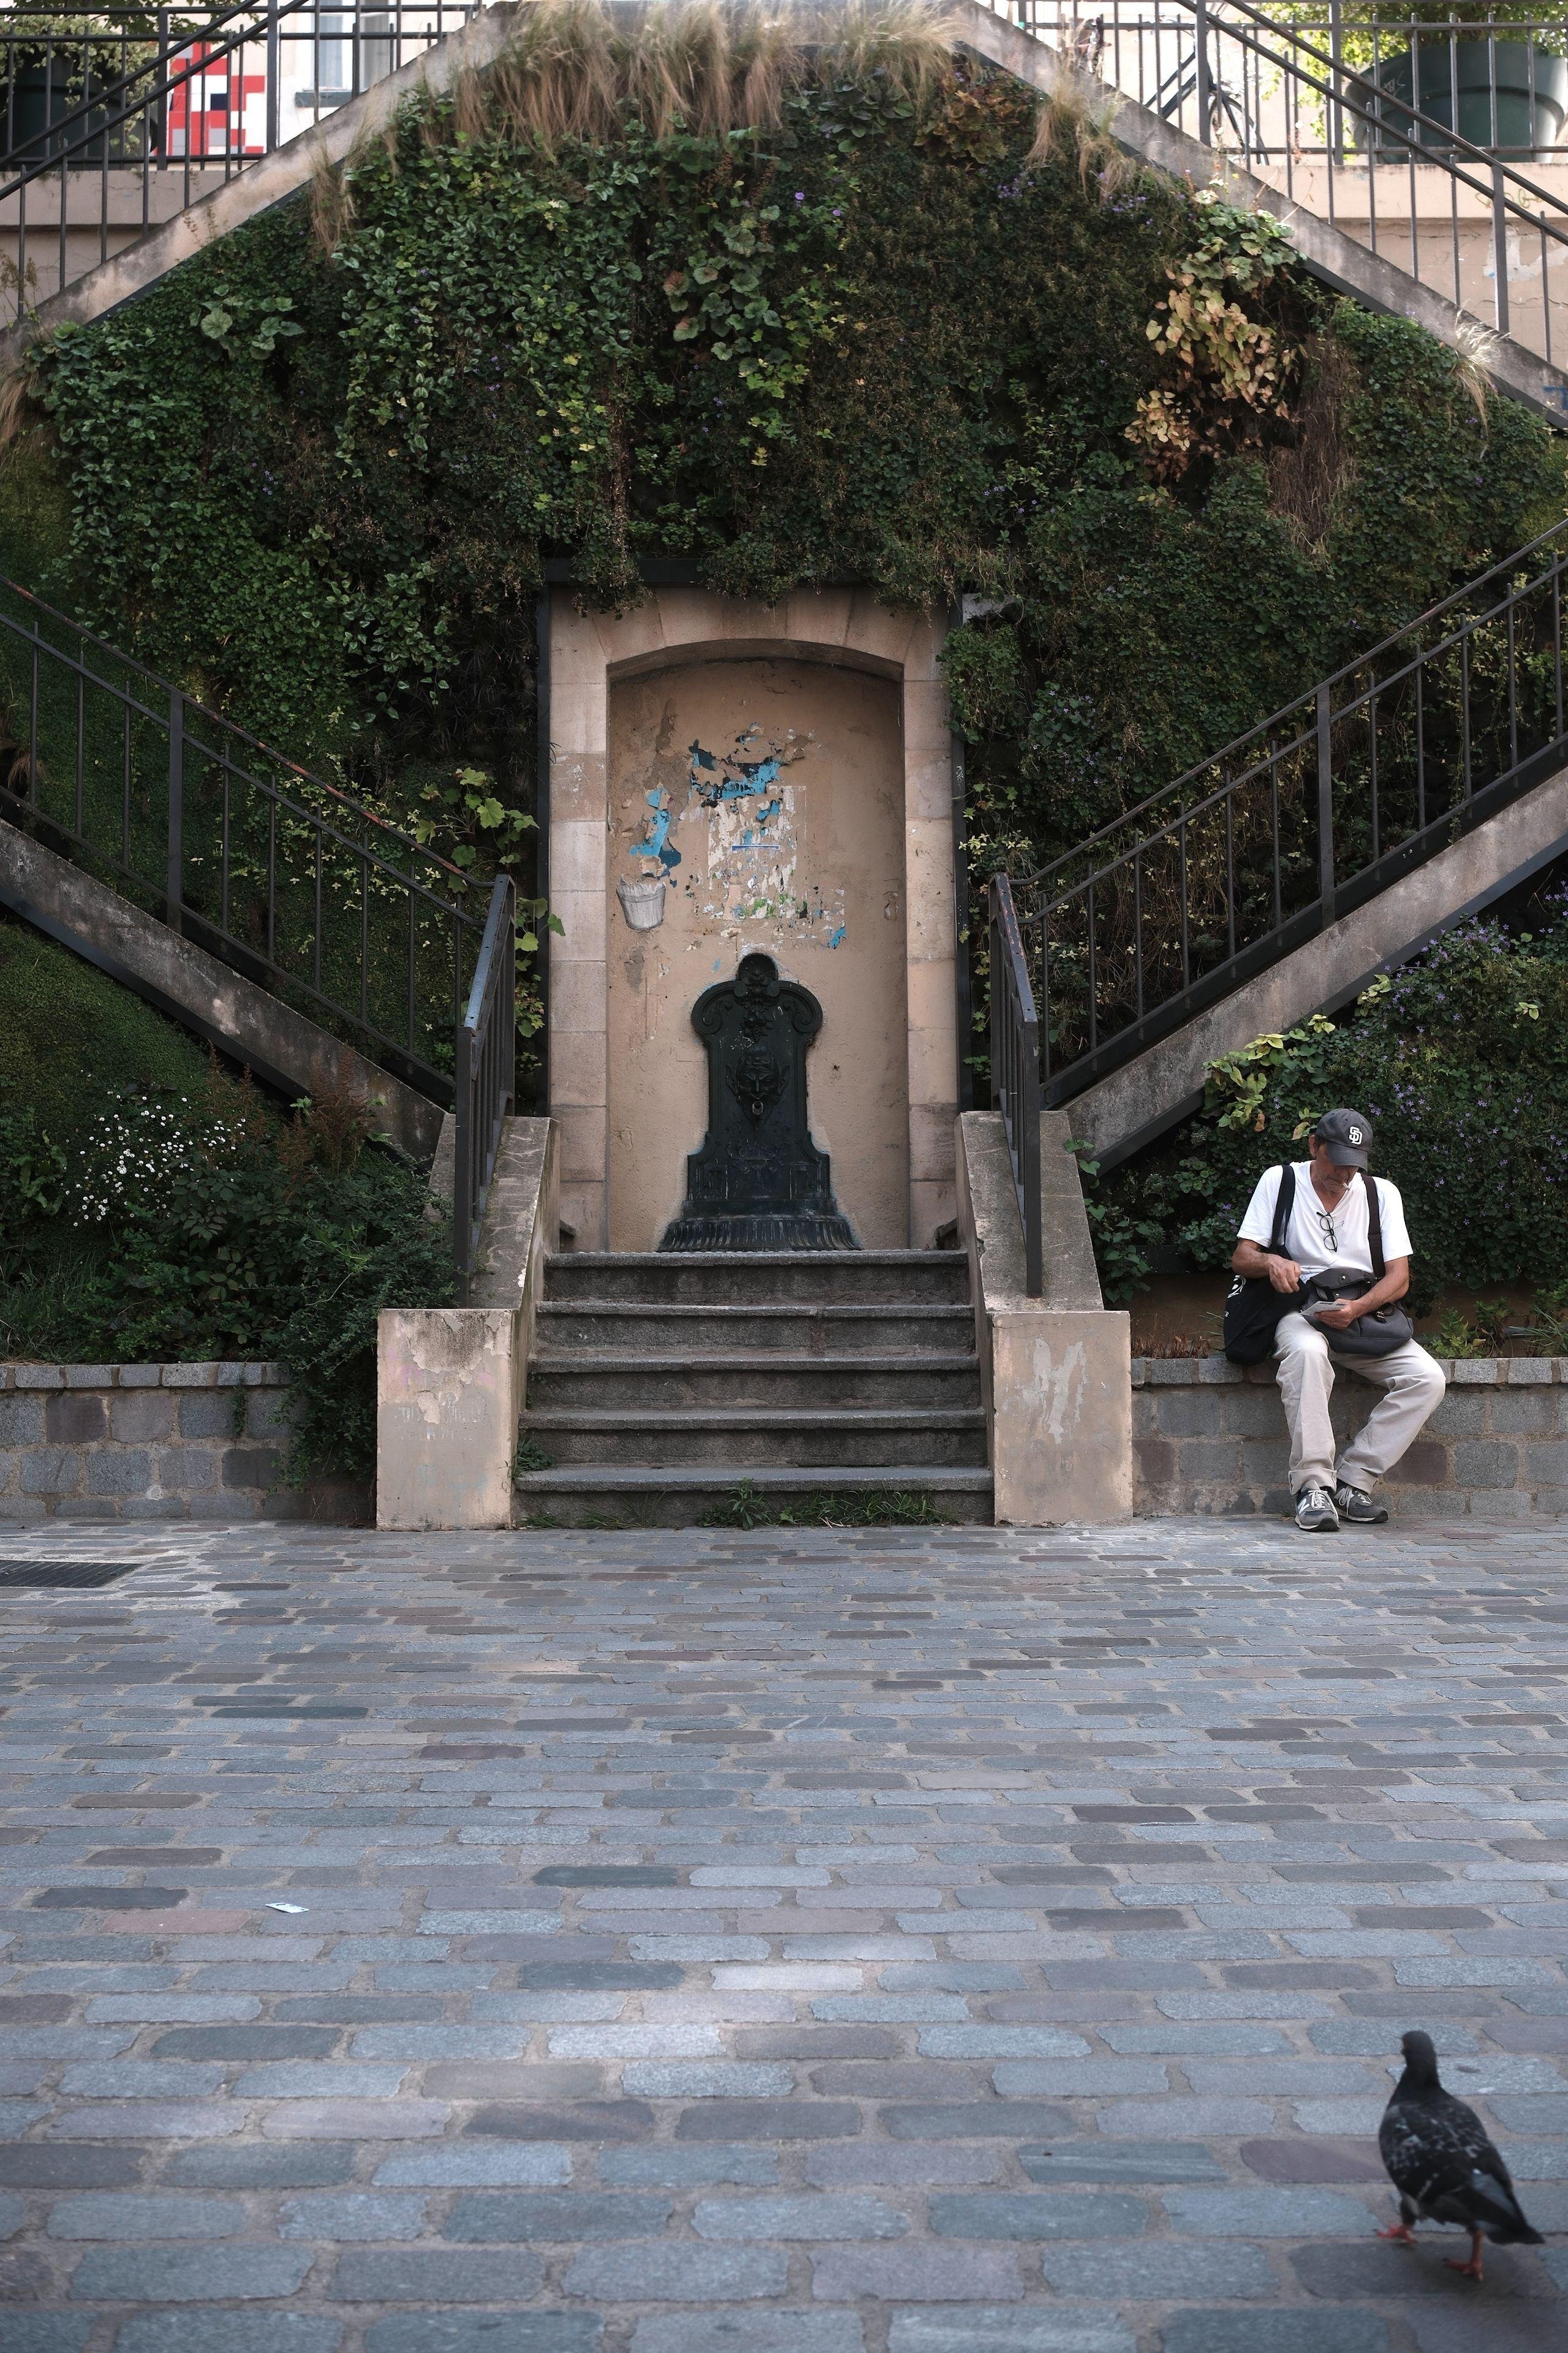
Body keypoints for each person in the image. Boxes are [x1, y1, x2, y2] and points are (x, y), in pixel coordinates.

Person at [1231, 1108, 1446, 1533]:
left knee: (1427, 1378)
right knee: (1308, 1353)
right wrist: (1271, 1260)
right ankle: (1313, 1486)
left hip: (1361, 1312)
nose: (1344, 1176)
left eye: (1354, 1166)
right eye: (1336, 1163)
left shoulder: (1380, 1193)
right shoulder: (1281, 1181)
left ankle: (1352, 1482)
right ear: (1314, 1146)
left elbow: (1399, 1277)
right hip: (1299, 1311)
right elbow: (1241, 1257)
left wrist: (1359, 1308)